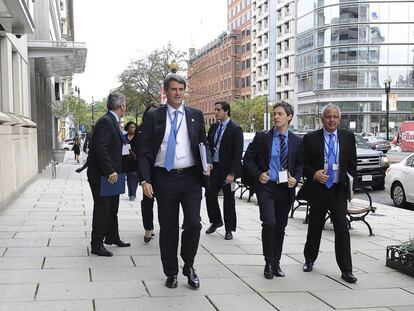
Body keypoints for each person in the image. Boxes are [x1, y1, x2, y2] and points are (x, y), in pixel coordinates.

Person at [139, 74, 211, 289]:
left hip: (190, 178)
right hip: (164, 178)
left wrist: (207, 162)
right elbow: (144, 151)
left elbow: (202, 143)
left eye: (181, 89)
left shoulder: (195, 115)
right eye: (173, 89)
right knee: (169, 228)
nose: (178, 93)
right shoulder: (154, 117)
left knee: (193, 223)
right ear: (166, 92)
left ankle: (188, 266)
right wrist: (145, 180)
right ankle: (171, 272)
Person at [243, 101, 303, 279]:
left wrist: (296, 179)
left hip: (285, 189)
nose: (276, 117)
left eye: (280, 114)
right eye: (274, 113)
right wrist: (259, 174)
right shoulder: (262, 138)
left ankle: (276, 262)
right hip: (266, 187)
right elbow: (247, 161)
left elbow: (300, 165)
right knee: (269, 223)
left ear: (289, 117)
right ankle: (268, 262)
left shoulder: (297, 141)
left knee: (280, 227)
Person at [301, 103, 358, 283]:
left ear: (339, 119)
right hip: (318, 190)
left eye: (335, 117)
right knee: (315, 227)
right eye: (328, 116)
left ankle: (346, 269)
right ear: (322, 119)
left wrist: (351, 186)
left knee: (342, 229)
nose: (331, 120)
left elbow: (352, 165)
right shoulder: (310, 138)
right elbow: (303, 165)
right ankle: (309, 259)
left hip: (338, 190)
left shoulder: (348, 137)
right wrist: (314, 174)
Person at [87, 92, 131, 257]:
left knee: (113, 209)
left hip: (114, 174)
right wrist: (110, 171)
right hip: (104, 176)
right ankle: (96, 244)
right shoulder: (106, 121)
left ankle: (112, 237)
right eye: (125, 104)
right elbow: (100, 149)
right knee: (102, 210)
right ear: (122, 106)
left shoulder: (113, 120)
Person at [205, 101, 243, 240]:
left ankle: (229, 229)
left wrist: (232, 173)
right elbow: (208, 145)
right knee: (209, 194)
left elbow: (237, 153)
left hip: (228, 170)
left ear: (226, 111)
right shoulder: (214, 127)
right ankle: (216, 221)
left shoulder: (235, 129)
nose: (216, 112)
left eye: (218, 110)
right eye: (215, 109)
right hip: (214, 168)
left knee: (229, 199)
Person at [137, 104, 158, 243]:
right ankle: (148, 228)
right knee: (147, 201)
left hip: (163, 173)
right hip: (148, 173)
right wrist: (144, 179)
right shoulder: (141, 132)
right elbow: (140, 156)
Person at [123, 121, 139, 201]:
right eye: (130, 127)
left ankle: (132, 194)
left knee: (133, 177)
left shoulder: (138, 136)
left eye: (133, 127)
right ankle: (131, 193)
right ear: (127, 128)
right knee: (129, 177)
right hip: (125, 160)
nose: (132, 129)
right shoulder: (124, 137)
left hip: (135, 160)